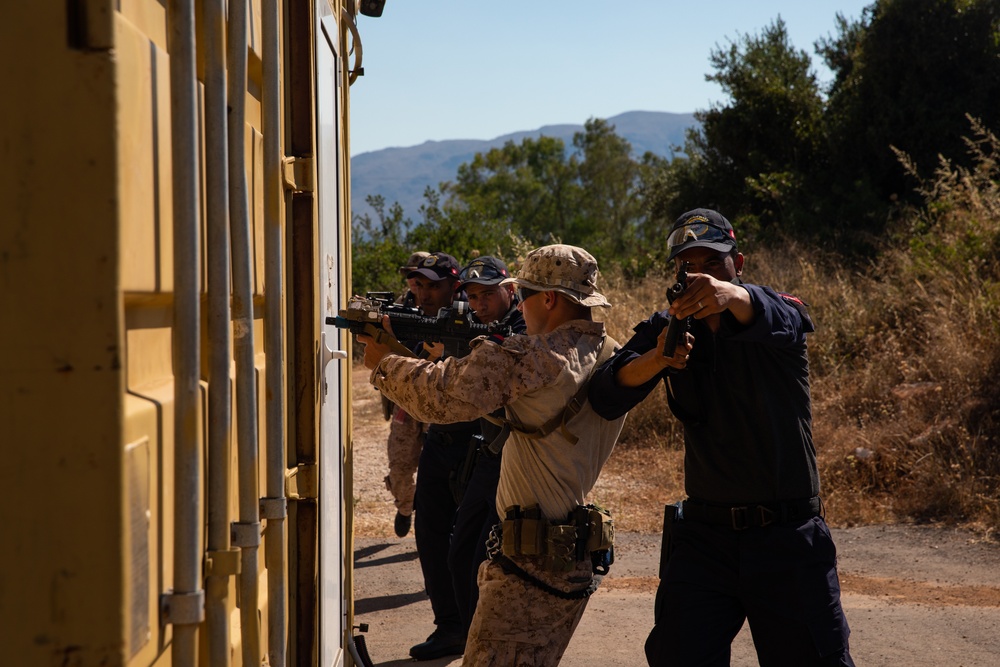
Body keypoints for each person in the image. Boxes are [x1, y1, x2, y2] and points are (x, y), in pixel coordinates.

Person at [587, 209, 855, 667]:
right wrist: (657, 360)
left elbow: (781, 316)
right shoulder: (668, 325)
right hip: (705, 541)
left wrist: (728, 296)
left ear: (739, 263)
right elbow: (606, 394)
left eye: (713, 262)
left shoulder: (775, 311)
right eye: (687, 265)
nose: (698, 275)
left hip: (786, 538)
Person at [358, 244, 627, 665]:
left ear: (549, 299)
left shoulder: (536, 357)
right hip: (571, 550)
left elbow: (440, 399)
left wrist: (383, 363)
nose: (520, 306)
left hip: (530, 563)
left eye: (523, 296)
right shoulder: (608, 350)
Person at [403, 251, 480, 660]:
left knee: (471, 544)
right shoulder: (418, 318)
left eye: (434, 285)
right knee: (430, 534)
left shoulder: (479, 318)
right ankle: (450, 626)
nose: (424, 293)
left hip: (478, 442)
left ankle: (476, 626)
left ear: (455, 286)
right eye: (419, 284)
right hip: (439, 440)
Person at [447, 256, 525, 638]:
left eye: (488, 295)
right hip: (489, 457)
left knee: (488, 561)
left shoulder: (525, 327)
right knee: (460, 554)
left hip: (517, 463)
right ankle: (468, 642)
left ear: (510, 290)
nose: (480, 304)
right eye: (474, 297)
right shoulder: (480, 327)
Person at [383, 250, 430, 538]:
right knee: (399, 467)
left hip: (436, 397)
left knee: (435, 470)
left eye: (421, 278)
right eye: (411, 277)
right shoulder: (400, 306)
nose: (414, 283)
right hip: (404, 400)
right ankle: (404, 507)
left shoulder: (449, 306)